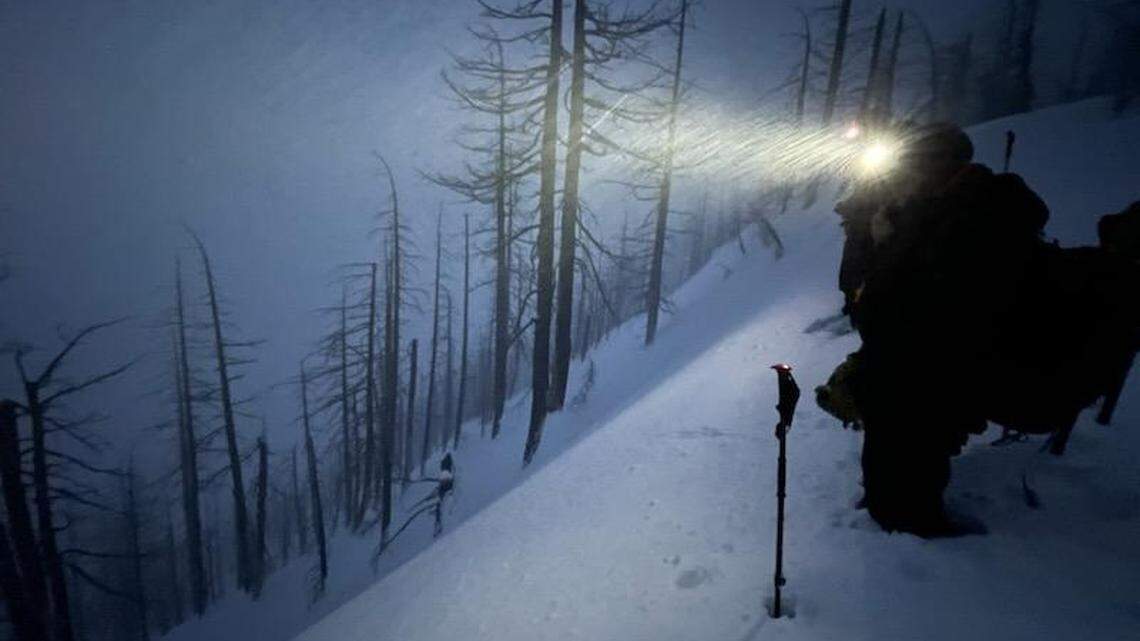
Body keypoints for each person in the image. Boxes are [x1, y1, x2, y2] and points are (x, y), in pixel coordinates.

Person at [840, 123, 1049, 536]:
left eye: (915, 164)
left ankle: (912, 521)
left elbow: (928, 285)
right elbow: (863, 283)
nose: (907, 177)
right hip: (907, 347)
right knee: (899, 428)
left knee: (916, 431)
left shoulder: (975, 206)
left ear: (941, 163)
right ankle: (896, 509)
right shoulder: (919, 208)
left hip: (938, 349)